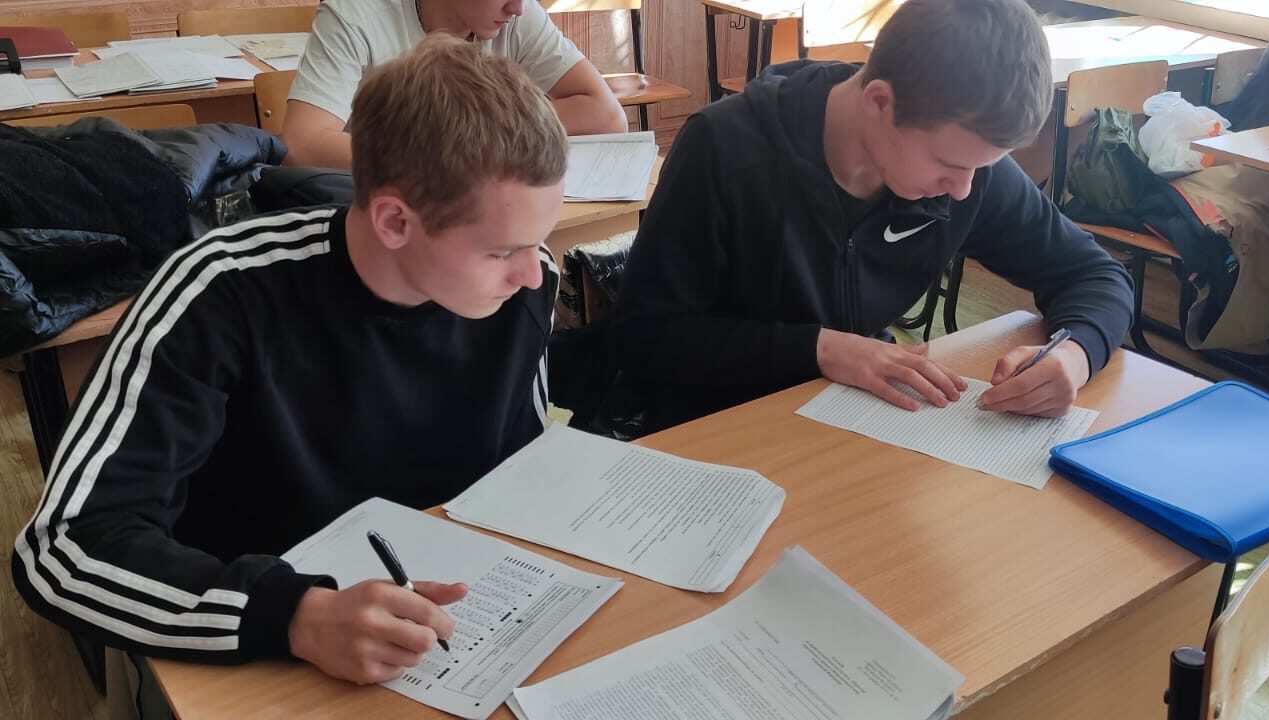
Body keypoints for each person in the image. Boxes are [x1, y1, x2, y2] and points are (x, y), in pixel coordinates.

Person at [12, 33, 568, 705]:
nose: (533, 272)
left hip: (447, 638)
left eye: (540, 240)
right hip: (255, 649)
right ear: (395, 221)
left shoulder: (524, 286)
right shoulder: (218, 291)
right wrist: (294, 616)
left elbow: (518, 472)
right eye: (502, 251)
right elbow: (63, 548)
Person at [608, 0, 1135, 435]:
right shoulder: (724, 150)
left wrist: (1075, 355)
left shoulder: (967, 165)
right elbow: (644, 338)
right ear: (880, 103)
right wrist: (817, 349)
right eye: (950, 165)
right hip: (716, 430)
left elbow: (1094, 273)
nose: (963, 189)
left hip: (855, 422)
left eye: (982, 167)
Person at [283, 0, 627, 169]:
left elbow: (606, 115)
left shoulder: (515, 15)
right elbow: (301, 145)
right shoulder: (355, 14)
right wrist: (440, 159)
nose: (518, 8)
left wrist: (476, 131)